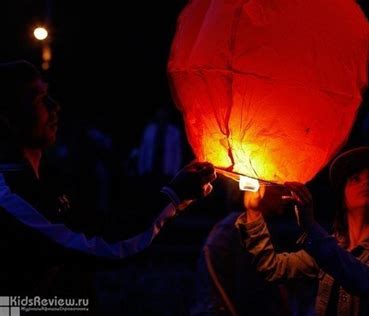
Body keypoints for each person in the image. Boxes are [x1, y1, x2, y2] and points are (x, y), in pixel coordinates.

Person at [0, 60, 216, 300]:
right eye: (39, 100)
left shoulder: (52, 176)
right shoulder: (10, 196)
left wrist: (175, 195)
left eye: (48, 95)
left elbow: (98, 223)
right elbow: (102, 244)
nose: (55, 107)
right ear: (7, 118)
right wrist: (175, 196)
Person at [235, 146, 369, 315]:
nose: (366, 181)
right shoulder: (330, 247)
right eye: (355, 178)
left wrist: (310, 227)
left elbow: (368, 280)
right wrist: (254, 212)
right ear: (343, 197)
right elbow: (272, 268)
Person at [192, 182, 316, 316]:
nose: (285, 195)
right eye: (279, 188)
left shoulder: (265, 228)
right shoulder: (229, 232)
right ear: (258, 189)